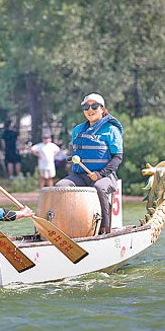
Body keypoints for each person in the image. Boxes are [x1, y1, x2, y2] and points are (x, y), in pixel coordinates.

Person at [56, 93, 123, 234]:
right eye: (86, 106)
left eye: (94, 106)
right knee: (60, 187)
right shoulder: (77, 130)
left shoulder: (111, 130)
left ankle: (105, 228)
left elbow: (117, 158)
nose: (90, 109)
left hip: (106, 177)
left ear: (102, 109)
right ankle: (66, 227)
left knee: (99, 187)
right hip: (80, 176)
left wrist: (100, 174)